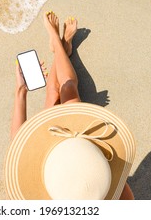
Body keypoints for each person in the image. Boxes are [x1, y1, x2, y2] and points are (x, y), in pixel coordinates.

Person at [10, 11, 134, 200]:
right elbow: (120, 188)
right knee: (68, 89)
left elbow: (17, 148)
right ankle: (61, 46)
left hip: (55, 160)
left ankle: (59, 45)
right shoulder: (122, 201)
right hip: (82, 148)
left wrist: (21, 91)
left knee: (57, 92)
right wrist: (99, 168)